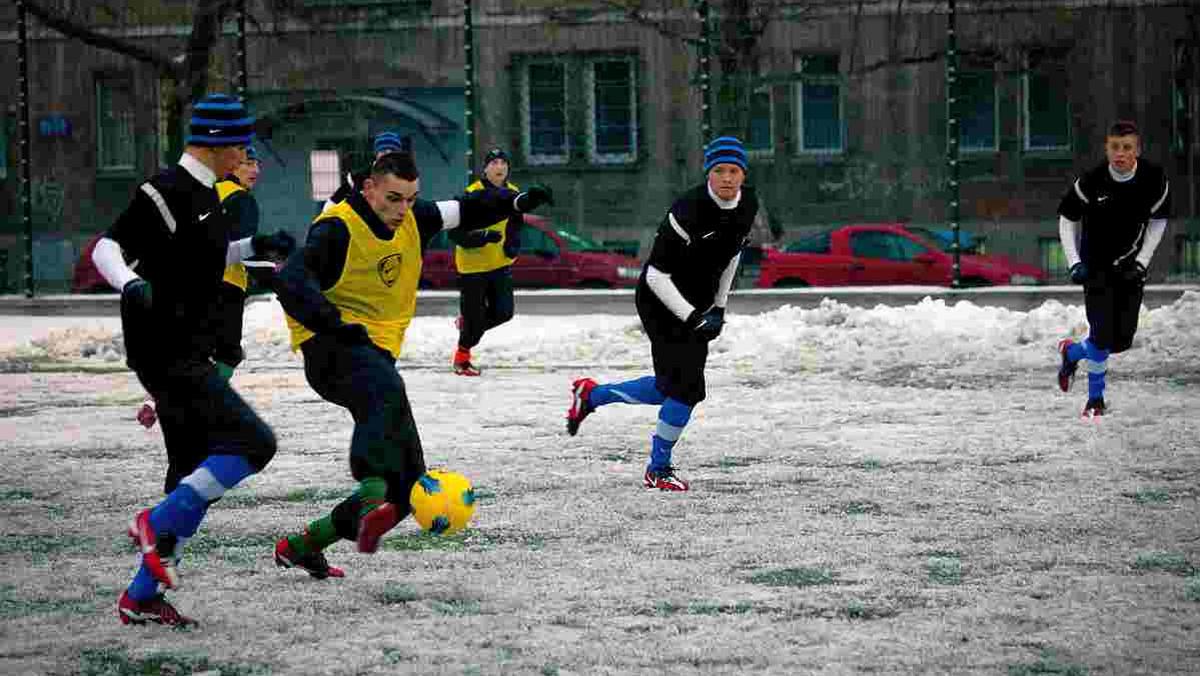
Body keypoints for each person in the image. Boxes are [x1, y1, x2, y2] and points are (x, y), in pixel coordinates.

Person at [271, 151, 552, 577]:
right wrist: (332, 323)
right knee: (385, 391)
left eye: (410, 198)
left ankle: (303, 545)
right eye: (393, 199)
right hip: (331, 349)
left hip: (376, 357)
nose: (403, 210)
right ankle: (369, 494)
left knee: (410, 486)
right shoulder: (336, 230)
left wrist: (514, 203)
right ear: (368, 189)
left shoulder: (414, 217)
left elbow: (467, 208)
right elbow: (292, 281)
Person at [92, 94, 297, 626]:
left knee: (190, 473)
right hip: (165, 349)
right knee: (254, 443)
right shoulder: (163, 191)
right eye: (242, 146)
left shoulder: (207, 194)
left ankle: (139, 599)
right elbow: (105, 249)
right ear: (218, 144)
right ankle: (152, 523)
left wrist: (256, 244)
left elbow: (203, 255)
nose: (248, 155)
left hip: (187, 347)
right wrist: (132, 283)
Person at [565, 137, 758, 491]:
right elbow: (655, 276)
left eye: (734, 171)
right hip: (660, 300)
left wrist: (719, 305)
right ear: (708, 174)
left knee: (671, 387)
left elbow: (732, 255)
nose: (727, 178)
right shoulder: (687, 211)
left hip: (698, 300)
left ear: (743, 175)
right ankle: (658, 468)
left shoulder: (749, 204)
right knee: (687, 390)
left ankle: (591, 396)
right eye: (719, 171)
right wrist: (692, 317)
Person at [1056, 119, 1170, 418]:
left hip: (1130, 267)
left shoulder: (1154, 179)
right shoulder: (1091, 181)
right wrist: (1074, 262)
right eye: (1115, 148)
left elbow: (1159, 221)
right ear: (1107, 149)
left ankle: (1071, 352)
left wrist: (1143, 261)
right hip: (1095, 267)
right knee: (1102, 333)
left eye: (1127, 148)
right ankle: (1095, 399)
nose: (1120, 154)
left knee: (1120, 341)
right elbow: (1067, 219)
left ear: (1137, 150)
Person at [449, 147, 524, 376]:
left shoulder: (514, 193)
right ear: (484, 169)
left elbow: (516, 224)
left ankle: (468, 325)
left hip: (500, 263)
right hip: (472, 267)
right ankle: (462, 360)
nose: (499, 167)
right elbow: (455, 234)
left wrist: (513, 245)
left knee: (504, 312)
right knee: (475, 316)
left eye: (503, 162)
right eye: (493, 163)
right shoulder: (472, 193)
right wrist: (482, 237)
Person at [322, 131, 405, 211]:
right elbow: (333, 202)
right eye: (383, 151)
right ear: (376, 153)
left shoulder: (405, 178)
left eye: (393, 151)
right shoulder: (357, 177)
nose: (388, 155)